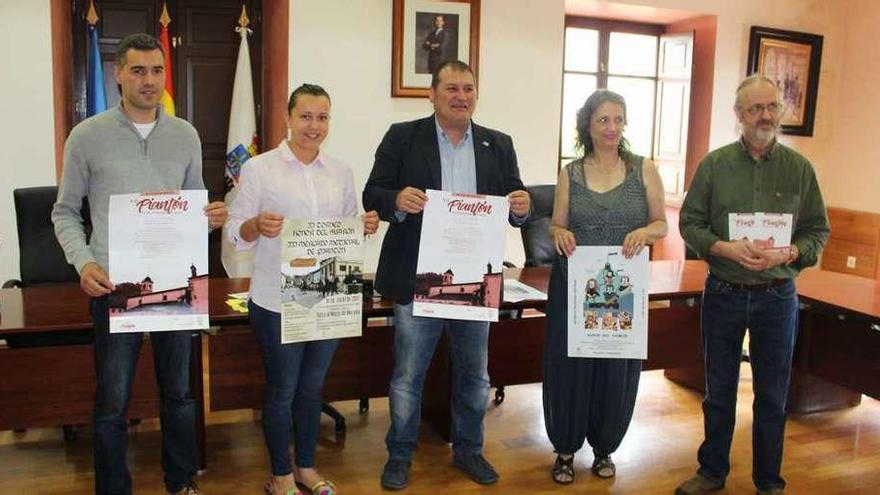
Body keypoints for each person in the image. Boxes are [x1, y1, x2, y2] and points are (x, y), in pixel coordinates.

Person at [52, 33, 228, 495]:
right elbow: (65, 211)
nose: (149, 81)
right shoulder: (87, 136)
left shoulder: (185, 134)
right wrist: (84, 263)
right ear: (118, 74)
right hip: (114, 284)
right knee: (113, 402)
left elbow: (194, 205)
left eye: (156, 71)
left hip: (175, 284)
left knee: (180, 393)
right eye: (138, 71)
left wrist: (210, 217)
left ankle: (182, 480)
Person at [363, 60, 531, 490]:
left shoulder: (499, 143)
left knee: (476, 375)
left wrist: (521, 208)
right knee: (407, 377)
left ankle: (469, 451)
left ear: (477, 94)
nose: (461, 96)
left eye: (469, 88)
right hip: (417, 278)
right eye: (452, 88)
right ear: (433, 94)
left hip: (475, 280)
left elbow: (515, 198)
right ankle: (400, 454)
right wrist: (397, 199)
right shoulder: (403, 137)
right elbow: (374, 193)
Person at [676, 74, 830, 495]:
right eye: (754, 108)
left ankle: (768, 481)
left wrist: (791, 253)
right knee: (718, 392)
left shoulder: (799, 169)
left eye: (771, 106)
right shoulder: (715, 165)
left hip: (777, 298)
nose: (765, 115)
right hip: (724, 293)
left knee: (773, 397)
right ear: (739, 115)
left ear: (779, 111)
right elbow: (689, 222)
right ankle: (711, 472)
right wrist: (722, 247)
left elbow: (817, 230)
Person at [226, 83, 379, 495]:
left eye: (322, 117)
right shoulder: (260, 169)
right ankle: (279, 476)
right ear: (288, 119)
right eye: (306, 116)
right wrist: (256, 226)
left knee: (312, 390)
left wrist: (364, 226)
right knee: (282, 391)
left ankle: (306, 468)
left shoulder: (341, 172)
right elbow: (234, 233)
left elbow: (349, 229)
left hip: (328, 296)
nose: (314, 125)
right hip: (276, 301)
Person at [543, 89, 668, 485]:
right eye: (603, 120)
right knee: (570, 368)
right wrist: (560, 234)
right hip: (575, 286)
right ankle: (565, 449)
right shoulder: (571, 172)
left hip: (623, 288)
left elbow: (662, 223)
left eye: (618, 119)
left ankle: (604, 447)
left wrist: (645, 232)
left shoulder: (643, 169)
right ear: (589, 126)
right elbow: (555, 224)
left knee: (616, 368)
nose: (612, 127)